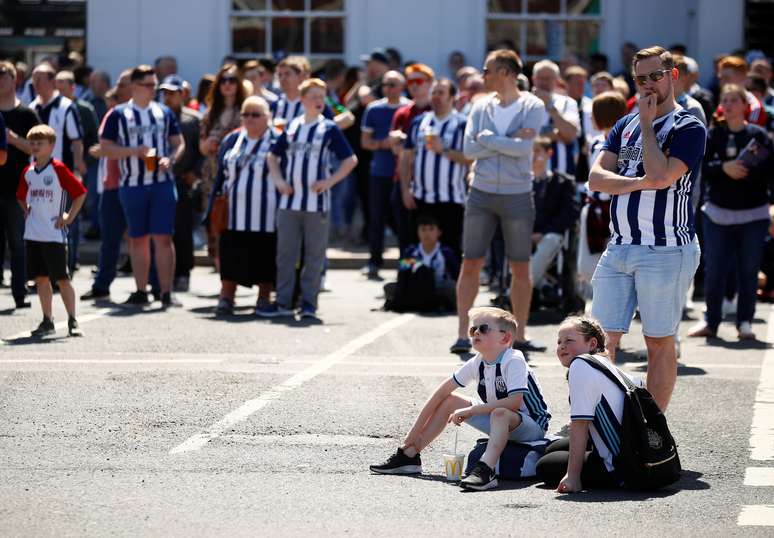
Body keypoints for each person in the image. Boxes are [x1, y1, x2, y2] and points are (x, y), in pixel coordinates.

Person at [588, 46, 706, 411]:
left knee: (658, 342)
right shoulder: (623, 125)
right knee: (597, 343)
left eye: (656, 76)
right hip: (619, 247)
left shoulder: (688, 125)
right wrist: (639, 182)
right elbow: (595, 178)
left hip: (666, 249)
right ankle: (597, 421)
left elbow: (660, 175)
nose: (649, 84)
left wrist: (647, 127)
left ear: (672, 76)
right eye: (642, 78)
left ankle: (652, 430)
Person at [370, 306, 550, 491]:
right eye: (474, 329)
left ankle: (486, 471)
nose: (476, 333)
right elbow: (441, 392)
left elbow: (514, 402)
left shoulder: (514, 360)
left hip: (531, 425)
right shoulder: (478, 361)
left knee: (500, 413)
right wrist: (412, 435)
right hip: (501, 419)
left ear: (505, 338)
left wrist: (471, 410)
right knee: (450, 400)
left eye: (484, 329)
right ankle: (409, 456)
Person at [453, 49, 546, 354]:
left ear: (505, 72)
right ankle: (462, 335)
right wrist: (507, 142)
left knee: (520, 267)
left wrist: (489, 140)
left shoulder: (533, 105)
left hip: (517, 194)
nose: (483, 75)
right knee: (470, 263)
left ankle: (519, 336)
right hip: (480, 193)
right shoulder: (479, 106)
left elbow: (524, 150)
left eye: (488, 70)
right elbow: (468, 149)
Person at [262, 78, 357, 319]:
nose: (318, 101)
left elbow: (350, 160)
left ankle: (308, 304)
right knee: (285, 255)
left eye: (321, 96)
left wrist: (329, 182)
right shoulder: (292, 126)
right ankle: (283, 302)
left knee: (314, 256)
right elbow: (272, 157)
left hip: (317, 203)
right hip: (289, 202)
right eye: (313, 96)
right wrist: (280, 182)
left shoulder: (329, 128)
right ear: (302, 99)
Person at [687, 84, 774, 340]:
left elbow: (770, 172)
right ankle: (711, 321)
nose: (729, 104)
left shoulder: (759, 136)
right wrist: (724, 167)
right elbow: (703, 168)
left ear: (745, 105)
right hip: (717, 213)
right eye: (725, 100)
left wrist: (746, 171)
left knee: (748, 270)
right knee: (715, 269)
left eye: (734, 99)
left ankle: (745, 321)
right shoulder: (713, 135)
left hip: (754, 214)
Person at [99, 64, 185, 307]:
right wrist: (133, 151)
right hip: (132, 184)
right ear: (134, 86)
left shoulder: (164, 112)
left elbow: (179, 143)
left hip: (162, 183)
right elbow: (104, 148)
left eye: (154, 85)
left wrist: (172, 158)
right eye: (148, 85)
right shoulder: (118, 114)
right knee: (138, 238)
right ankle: (140, 290)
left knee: (164, 238)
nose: (153, 89)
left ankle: (166, 292)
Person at [535, 316, 632, 492]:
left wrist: (572, 476)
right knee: (553, 448)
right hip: (630, 449)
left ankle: (596, 471)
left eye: (569, 341)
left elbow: (580, 424)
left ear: (592, 343)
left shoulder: (580, 365)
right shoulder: (603, 361)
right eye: (559, 342)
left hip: (617, 466)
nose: (562, 346)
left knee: (544, 466)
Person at [206, 96, 277, 315]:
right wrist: (212, 206)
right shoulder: (232, 139)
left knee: (265, 255)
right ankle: (227, 297)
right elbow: (220, 175)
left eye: (256, 114)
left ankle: (264, 297)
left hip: (267, 212)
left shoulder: (278, 140)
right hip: (234, 211)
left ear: (267, 117)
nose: (250, 119)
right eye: (246, 114)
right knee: (231, 254)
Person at [16, 125, 86, 337]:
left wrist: (68, 217)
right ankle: (47, 320)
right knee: (40, 278)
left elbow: (80, 193)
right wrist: (26, 210)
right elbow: (20, 195)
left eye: (40, 143)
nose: (36, 147)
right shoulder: (28, 171)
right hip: (33, 233)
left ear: (52, 146)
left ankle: (73, 319)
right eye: (33, 143)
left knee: (62, 278)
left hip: (53, 234)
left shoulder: (58, 169)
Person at [401, 78, 469, 260]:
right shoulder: (419, 122)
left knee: (450, 247)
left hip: (451, 199)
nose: (436, 97)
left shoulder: (463, 124)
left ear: (452, 97)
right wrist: (405, 190)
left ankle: (450, 285)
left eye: (441, 93)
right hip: (421, 197)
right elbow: (406, 157)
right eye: (434, 93)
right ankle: (408, 283)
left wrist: (444, 150)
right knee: (413, 245)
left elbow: (472, 158)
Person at [577, 91, 628, 299]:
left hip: (617, 208)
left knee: (616, 262)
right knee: (589, 264)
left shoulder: (627, 143)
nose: (590, 118)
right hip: (595, 206)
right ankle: (596, 300)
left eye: (594, 114)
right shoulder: (594, 142)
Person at [360, 70, 409, 278]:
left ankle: (406, 263)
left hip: (404, 173)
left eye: (392, 84)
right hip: (380, 172)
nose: (387, 88)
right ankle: (374, 261)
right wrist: (384, 144)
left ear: (402, 86)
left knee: (404, 221)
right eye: (385, 84)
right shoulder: (373, 109)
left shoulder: (409, 109)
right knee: (376, 218)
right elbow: (365, 142)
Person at [0, 60, 40, 309]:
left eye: (4, 75)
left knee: (17, 242)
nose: (0, 79)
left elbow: (37, 148)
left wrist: (12, 139)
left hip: (17, 188)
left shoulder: (26, 114)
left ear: (15, 80)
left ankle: (19, 292)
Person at [199, 64, 247, 267]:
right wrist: (208, 144)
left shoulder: (247, 111)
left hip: (239, 174)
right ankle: (223, 274)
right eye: (223, 80)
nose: (227, 85)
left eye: (232, 80)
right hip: (212, 175)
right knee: (216, 225)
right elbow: (201, 146)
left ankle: (237, 272)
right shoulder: (210, 113)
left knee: (237, 226)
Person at [160, 75, 204, 292]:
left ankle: (183, 272)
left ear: (182, 94)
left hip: (182, 181)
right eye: (165, 93)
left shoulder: (193, 119)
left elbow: (200, 151)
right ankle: (161, 275)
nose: (168, 97)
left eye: (172, 93)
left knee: (183, 230)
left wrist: (195, 174)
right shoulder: (157, 116)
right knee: (161, 230)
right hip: (159, 179)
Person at [55, 70, 100, 271]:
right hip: (56, 171)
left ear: (73, 88)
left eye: (64, 89)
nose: (60, 93)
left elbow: (93, 140)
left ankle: (71, 263)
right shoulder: (50, 108)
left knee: (74, 217)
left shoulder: (84, 109)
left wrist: (83, 162)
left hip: (80, 169)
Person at [529, 137, 579, 297]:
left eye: (537, 151)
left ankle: (517, 291)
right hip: (526, 235)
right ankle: (542, 284)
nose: (532, 155)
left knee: (550, 240)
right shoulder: (521, 183)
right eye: (530, 151)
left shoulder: (562, 182)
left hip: (551, 234)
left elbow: (569, 214)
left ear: (549, 153)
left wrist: (542, 233)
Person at [393, 63, 434, 251]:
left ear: (429, 83)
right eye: (410, 82)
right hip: (404, 177)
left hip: (430, 181)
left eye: (419, 81)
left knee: (430, 230)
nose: (414, 86)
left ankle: (432, 273)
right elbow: (396, 149)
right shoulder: (403, 113)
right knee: (405, 232)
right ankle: (407, 274)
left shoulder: (437, 111)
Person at [383, 213, 459, 312]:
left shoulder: (445, 252)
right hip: (416, 288)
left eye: (431, 229)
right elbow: (402, 274)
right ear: (417, 232)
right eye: (423, 229)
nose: (427, 233)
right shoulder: (411, 251)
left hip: (438, 288)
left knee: (452, 287)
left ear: (439, 232)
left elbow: (457, 274)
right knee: (388, 287)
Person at [532, 60, 580, 177]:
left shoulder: (567, 103)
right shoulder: (522, 103)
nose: (543, 82)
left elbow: (570, 134)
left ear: (556, 80)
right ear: (533, 79)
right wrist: (556, 135)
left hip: (561, 177)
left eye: (548, 78)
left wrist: (550, 106)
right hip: (529, 176)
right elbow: (519, 136)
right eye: (540, 78)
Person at [714, 56, 768, 128]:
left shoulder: (755, 108)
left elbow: (752, 136)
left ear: (743, 78)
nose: (722, 83)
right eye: (720, 78)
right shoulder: (722, 105)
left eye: (727, 78)